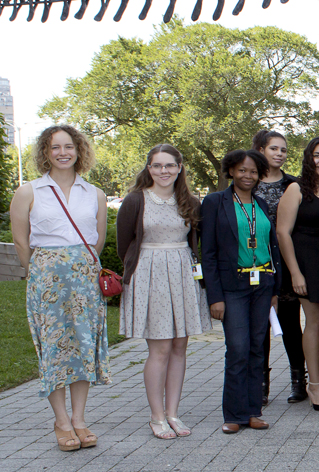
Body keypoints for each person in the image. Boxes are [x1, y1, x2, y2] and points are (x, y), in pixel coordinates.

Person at [10, 126, 111, 451]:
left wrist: (80, 264)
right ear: (45, 152)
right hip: (46, 280)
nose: (63, 152)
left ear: (79, 150)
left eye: (69, 146)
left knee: (82, 346)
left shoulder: (93, 193)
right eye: (56, 147)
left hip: (83, 280)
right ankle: (61, 421)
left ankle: (79, 419)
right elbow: (21, 242)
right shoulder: (29, 192)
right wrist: (39, 272)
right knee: (54, 349)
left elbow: (98, 239)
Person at [117, 145, 210, 439]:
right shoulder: (136, 200)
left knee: (180, 347)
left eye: (169, 165)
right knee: (159, 349)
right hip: (150, 273)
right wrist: (140, 271)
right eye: (157, 166)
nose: (163, 171)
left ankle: (173, 412)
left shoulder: (189, 201)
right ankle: (156, 416)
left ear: (180, 167)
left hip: (182, 273)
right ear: (148, 168)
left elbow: (196, 240)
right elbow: (124, 244)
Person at [200, 149, 280, 434]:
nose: (248, 175)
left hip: (263, 285)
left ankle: (253, 411)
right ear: (231, 171)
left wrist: (275, 288)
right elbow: (207, 253)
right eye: (242, 170)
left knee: (258, 348)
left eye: (253, 171)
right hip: (231, 287)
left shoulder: (260, 203)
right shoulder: (214, 202)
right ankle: (233, 414)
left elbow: (271, 245)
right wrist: (215, 296)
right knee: (237, 348)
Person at [276, 137, 319, 412]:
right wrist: (295, 272)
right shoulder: (296, 189)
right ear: (309, 158)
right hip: (307, 261)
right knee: (315, 322)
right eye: (317, 155)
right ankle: (314, 383)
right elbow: (282, 232)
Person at [251, 130, 303, 406]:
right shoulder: (248, 183)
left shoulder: (292, 185)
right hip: (255, 263)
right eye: (274, 149)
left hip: (284, 262)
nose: (280, 154)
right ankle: (261, 384)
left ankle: (299, 381)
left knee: (291, 325)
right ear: (260, 150)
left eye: (283, 150)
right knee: (259, 326)